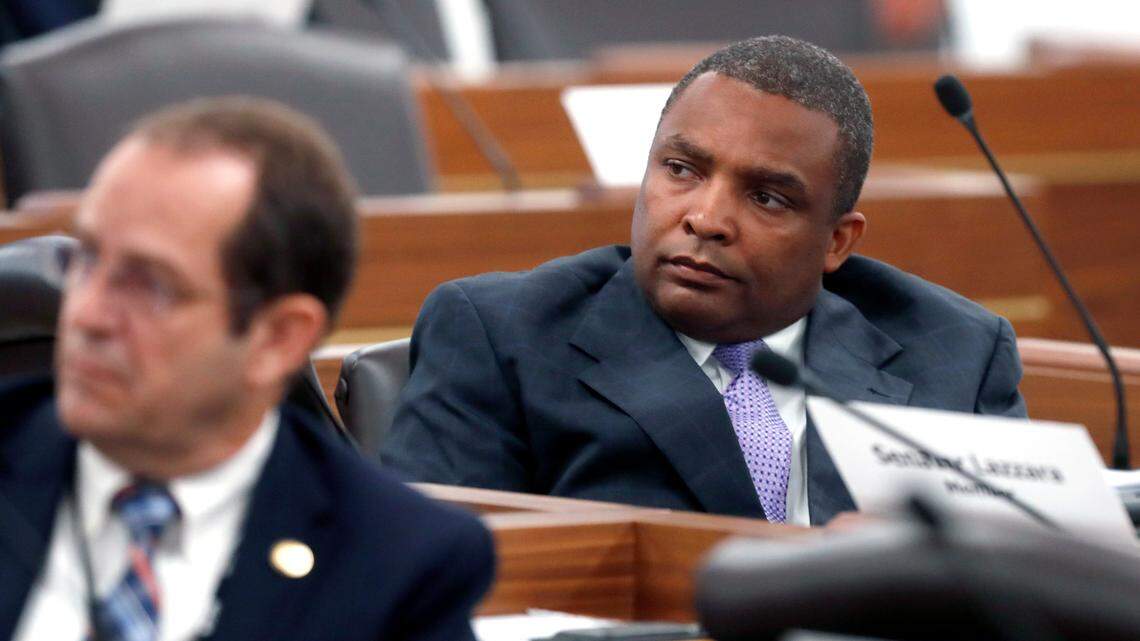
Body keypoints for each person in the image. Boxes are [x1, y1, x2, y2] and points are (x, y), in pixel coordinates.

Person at [381, 35, 1026, 527]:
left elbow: (1024, 587)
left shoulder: (957, 355)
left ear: (837, 242)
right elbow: (430, 582)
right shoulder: (504, 338)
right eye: (682, 170)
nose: (706, 219)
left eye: (767, 198)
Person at [0, 97, 493, 641]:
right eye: (86, 261)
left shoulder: (396, 563)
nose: (86, 315)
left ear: (278, 339)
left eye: (150, 285)